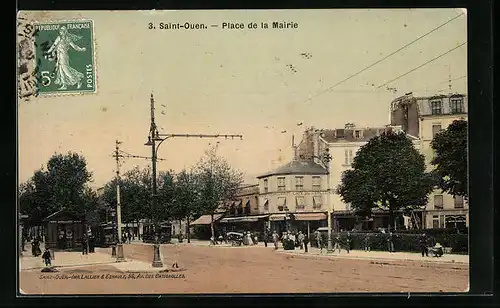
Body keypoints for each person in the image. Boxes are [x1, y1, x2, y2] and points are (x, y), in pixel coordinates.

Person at [45, 25, 87, 90]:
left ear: (65, 31)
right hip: (59, 55)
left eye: (62, 30)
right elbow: (54, 45)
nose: (61, 32)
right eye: (60, 30)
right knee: (61, 71)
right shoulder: (59, 37)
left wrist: (81, 49)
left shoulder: (68, 38)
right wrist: (49, 51)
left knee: (66, 71)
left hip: (64, 56)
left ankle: (78, 81)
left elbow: (74, 46)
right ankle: (64, 85)